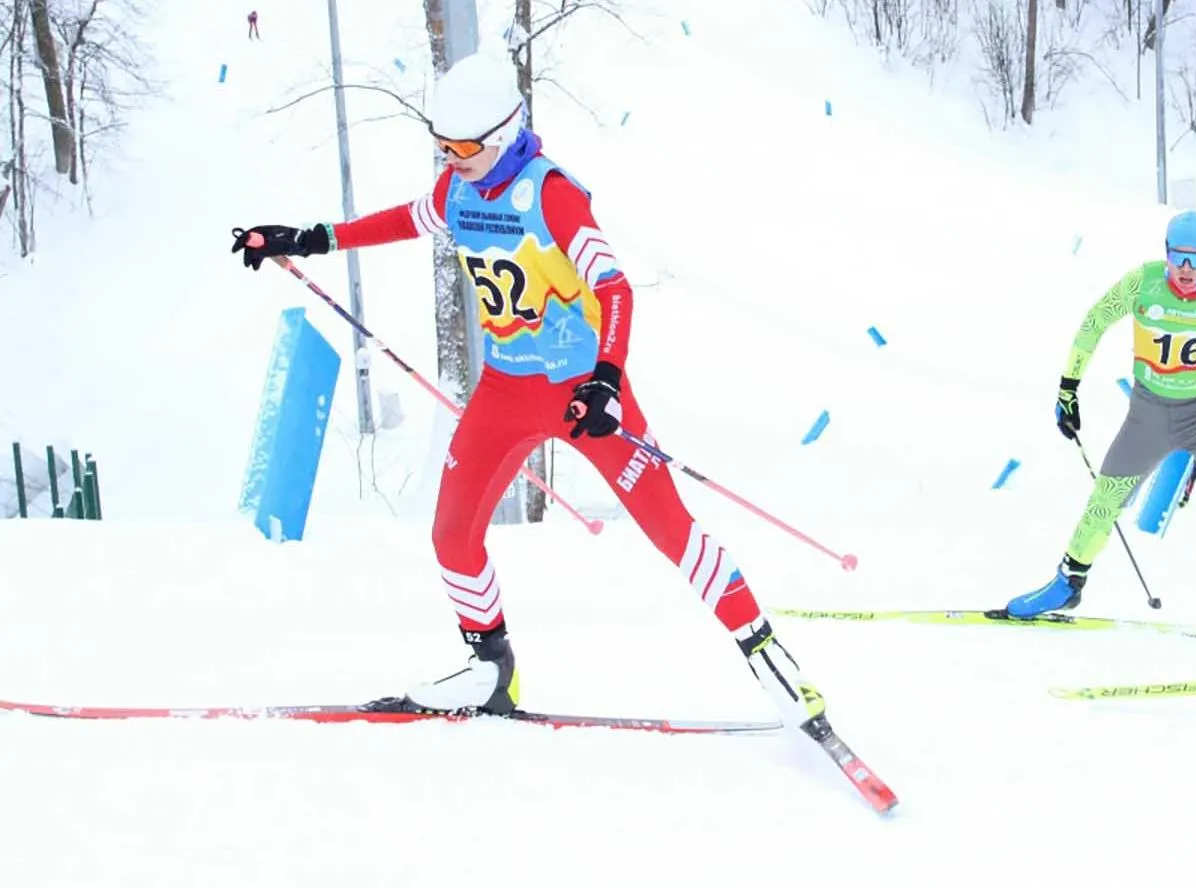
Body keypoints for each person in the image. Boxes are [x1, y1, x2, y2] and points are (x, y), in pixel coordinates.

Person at [229, 52, 831, 735]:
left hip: (583, 395)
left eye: (460, 147)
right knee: (452, 535)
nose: (449, 160)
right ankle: (491, 666)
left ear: (504, 133)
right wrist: (311, 239)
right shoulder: (459, 190)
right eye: (440, 146)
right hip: (505, 392)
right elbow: (406, 220)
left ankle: (766, 651)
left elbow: (614, 289)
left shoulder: (551, 194)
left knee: (670, 528)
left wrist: (605, 381)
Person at [997, 211, 1196, 641]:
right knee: (1105, 500)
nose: (1185, 270)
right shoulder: (1140, 283)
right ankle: (1067, 584)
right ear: (1165, 253)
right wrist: (1068, 390)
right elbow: (1093, 324)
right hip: (1149, 412)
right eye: (1177, 258)